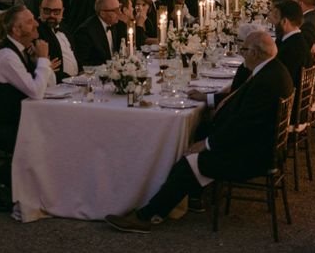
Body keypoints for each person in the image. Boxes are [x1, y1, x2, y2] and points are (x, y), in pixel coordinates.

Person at [105, 31, 292, 232]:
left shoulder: (265, 81)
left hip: (252, 157)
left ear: (255, 53)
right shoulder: (273, 70)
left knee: (189, 161)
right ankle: (190, 196)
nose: (241, 53)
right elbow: (240, 107)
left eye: (244, 49)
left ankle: (147, 216)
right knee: (198, 133)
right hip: (262, 146)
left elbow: (243, 125)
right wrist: (208, 103)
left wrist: (207, 144)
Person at [0, 5, 55, 206]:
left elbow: (49, 84)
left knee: (57, 131)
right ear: (16, 31)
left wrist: (38, 61)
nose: (37, 23)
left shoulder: (20, 50)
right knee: (46, 140)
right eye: (29, 22)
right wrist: (44, 60)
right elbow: (36, 91)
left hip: (16, 117)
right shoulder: (7, 57)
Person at [268, 0, 312, 88]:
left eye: (276, 22)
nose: (275, 26)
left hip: (288, 98)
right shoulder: (297, 39)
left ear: (284, 21)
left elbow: (277, 78)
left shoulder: (291, 48)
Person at [73, 0, 126, 69]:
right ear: (103, 13)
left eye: (119, 9)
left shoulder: (113, 25)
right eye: (115, 10)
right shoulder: (85, 32)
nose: (119, 13)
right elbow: (84, 63)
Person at [37, 0, 79, 82]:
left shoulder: (65, 28)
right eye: (47, 11)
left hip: (76, 80)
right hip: (59, 84)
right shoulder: (36, 32)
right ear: (40, 10)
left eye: (56, 12)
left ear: (62, 11)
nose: (51, 15)